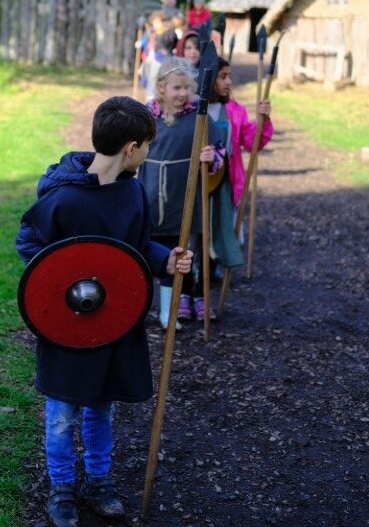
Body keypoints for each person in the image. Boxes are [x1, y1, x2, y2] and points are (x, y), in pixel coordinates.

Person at [15, 96, 193, 527]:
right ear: (131, 148)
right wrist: (58, 280)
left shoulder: (131, 193)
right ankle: (61, 487)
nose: (147, 152)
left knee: (101, 408)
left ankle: (98, 481)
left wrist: (166, 260)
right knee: (62, 414)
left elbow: (137, 247)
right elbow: (30, 243)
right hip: (68, 326)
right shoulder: (63, 198)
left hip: (113, 323)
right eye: (147, 145)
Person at [137, 57, 225, 327]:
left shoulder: (199, 116)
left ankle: (168, 313)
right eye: (177, 88)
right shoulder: (147, 116)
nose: (183, 93)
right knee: (143, 253)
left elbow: (219, 150)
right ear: (161, 87)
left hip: (183, 198)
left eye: (187, 88)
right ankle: (137, 309)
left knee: (174, 254)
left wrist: (211, 156)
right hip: (150, 195)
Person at [207, 57, 273, 278]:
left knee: (222, 222)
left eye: (230, 76)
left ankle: (214, 265)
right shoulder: (195, 109)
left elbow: (251, 142)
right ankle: (196, 271)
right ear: (209, 79)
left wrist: (262, 121)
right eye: (222, 77)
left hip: (226, 181)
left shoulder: (235, 111)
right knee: (201, 226)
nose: (229, 82)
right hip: (200, 181)